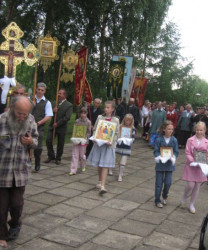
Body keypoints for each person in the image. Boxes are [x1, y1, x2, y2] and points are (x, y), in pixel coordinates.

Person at [0, 96, 38, 248]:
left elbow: (36, 140)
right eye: (19, 113)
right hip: (2, 170)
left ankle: (15, 223)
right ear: (11, 108)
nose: (22, 116)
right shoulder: (1, 119)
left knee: (17, 204)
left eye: (25, 113)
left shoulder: (30, 120)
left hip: (20, 171)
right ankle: (1, 235)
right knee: (1, 207)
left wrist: (31, 142)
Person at [87, 100, 120, 194]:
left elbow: (117, 133)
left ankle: (103, 186)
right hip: (99, 144)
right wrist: (94, 137)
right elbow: (96, 129)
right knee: (99, 165)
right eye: (105, 107)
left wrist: (111, 141)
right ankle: (99, 181)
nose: (106, 109)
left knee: (105, 165)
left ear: (112, 109)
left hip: (108, 146)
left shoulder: (116, 120)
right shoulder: (100, 117)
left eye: (108, 107)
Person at [180, 121, 208, 214]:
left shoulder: (206, 142)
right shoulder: (190, 140)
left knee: (197, 186)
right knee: (190, 185)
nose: (199, 132)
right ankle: (184, 196)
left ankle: (192, 204)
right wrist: (192, 161)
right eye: (197, 130)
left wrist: (204, 161)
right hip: (191, 165)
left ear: (204, 131)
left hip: (201, 167)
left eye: (201, 130)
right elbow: (187, 152)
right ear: (195, 130)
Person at [154, 120, 179, 208]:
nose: (170, 131)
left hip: (169, 165)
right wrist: (159, 157)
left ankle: (165, 195)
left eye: (172, 129)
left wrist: (173, 157)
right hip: (160, 164)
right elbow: (156, 151)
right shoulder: (159, 139)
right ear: (164, 129)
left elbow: (176, 151)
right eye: (168, 129)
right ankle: (157, 200)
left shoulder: (174, 140)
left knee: (168, 183)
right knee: (158, 183)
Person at [44, 89, 73, 165]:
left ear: (65, 95)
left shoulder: (69, 105)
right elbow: (49, 113)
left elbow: (67, 117)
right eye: (58, 93)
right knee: (48, 140)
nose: (58, 95)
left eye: (60, 93)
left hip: (61, 127)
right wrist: (53, 110)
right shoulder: (54, 103)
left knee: (60, 143)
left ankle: (58, 158)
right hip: (52, 126)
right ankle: (51, 156)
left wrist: (58, 123)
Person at [32, 82, 53, 171]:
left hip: (39, 126)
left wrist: (39, 122)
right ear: (36, 89)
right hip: (28, 125)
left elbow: (48, 115)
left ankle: (37, 163)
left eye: (42, 90)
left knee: (38, 145)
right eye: (39, 89)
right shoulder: (30, 99)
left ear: (44, 91)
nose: (40, 91)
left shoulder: (47, 102)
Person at [69, 107, 91, 175]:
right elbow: (75, 130)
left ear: (86, 113)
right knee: (75, 155)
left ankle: (83, 165)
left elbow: (89, 132)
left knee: (82, 156)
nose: (83, 115)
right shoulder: (77, 121)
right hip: (76, 140)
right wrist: (74, 135)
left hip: (83, 141)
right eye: (82, 113)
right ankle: (73, 170)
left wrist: (85, 137)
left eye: (84, 113)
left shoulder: (88, 122)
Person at [115, 114, 136, 181]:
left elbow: (133, 138)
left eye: (129, 121)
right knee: (118, 160)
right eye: (127, 120)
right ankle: (117, 170)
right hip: (119, 146)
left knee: (123, 162)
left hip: (126, 147)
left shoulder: (132, 129)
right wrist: (118, 139)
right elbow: (117, 135)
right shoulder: (120, 127)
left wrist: (129, 141)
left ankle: (120, 175)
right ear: (124, 120)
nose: (128, 122)